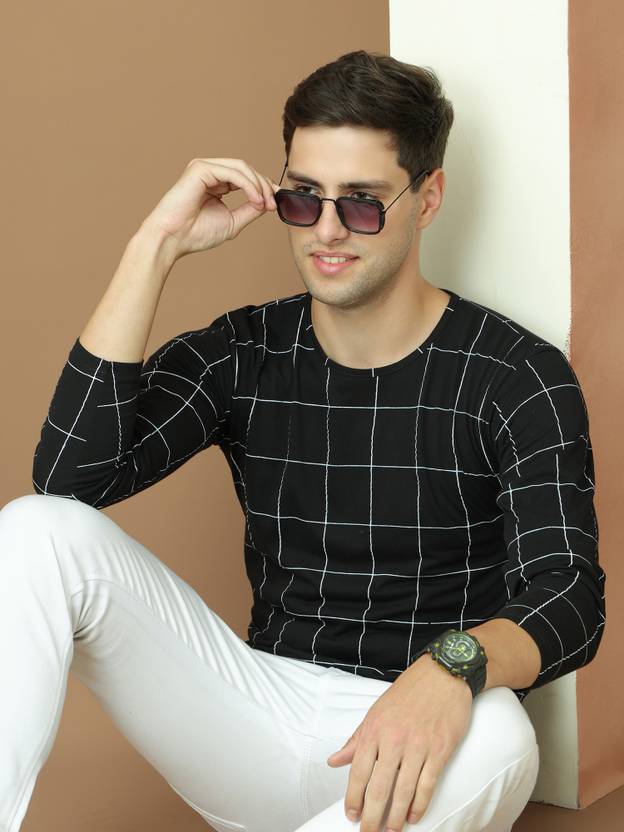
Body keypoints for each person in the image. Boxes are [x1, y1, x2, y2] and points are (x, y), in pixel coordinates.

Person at [0, 50, 605, 832]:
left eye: (361, 204)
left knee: (503, 736)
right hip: (260, 714)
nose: (326, 231)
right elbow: (71, 478)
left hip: (421, 735)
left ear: (427, 198)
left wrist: (451, 668)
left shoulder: (515, 375)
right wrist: (157, 243)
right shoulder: (245, 350)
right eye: (303, 197)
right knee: (35, 529)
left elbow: (569, 594)